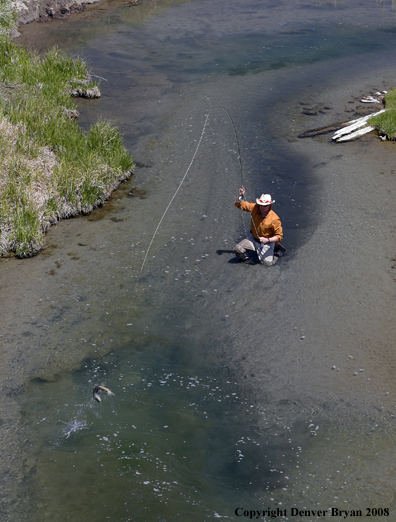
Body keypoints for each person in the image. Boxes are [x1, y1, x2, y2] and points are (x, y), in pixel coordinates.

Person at [234, 186, 283, 266]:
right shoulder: (254, 207)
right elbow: (238, 204)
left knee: (267, 264)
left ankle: (277, 251)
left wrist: (267, 240)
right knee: (238, 249)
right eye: (260, 205)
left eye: (265, 206)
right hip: (254, 239)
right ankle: (249, 259)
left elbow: (279, 236)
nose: (262, 207)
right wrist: (240, 196)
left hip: (267, 242)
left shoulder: (274, 219)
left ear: (269, 205)